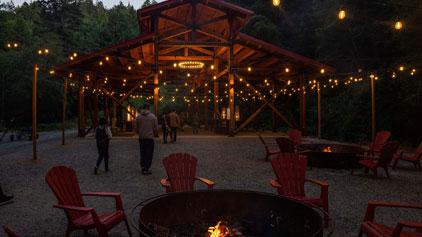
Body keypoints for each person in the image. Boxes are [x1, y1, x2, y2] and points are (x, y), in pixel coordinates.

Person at [134, 104, 158, 175]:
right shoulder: (153, 117)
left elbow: (135, 128)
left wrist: (140, 132)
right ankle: (146, 169)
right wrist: (153, 133)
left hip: (141, 138)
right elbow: (156, 128)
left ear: (143, 108)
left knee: (142, 153)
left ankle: (143, 166)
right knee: (149, 153)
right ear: (148, 108)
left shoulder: (138, 117)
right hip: (150, 138)